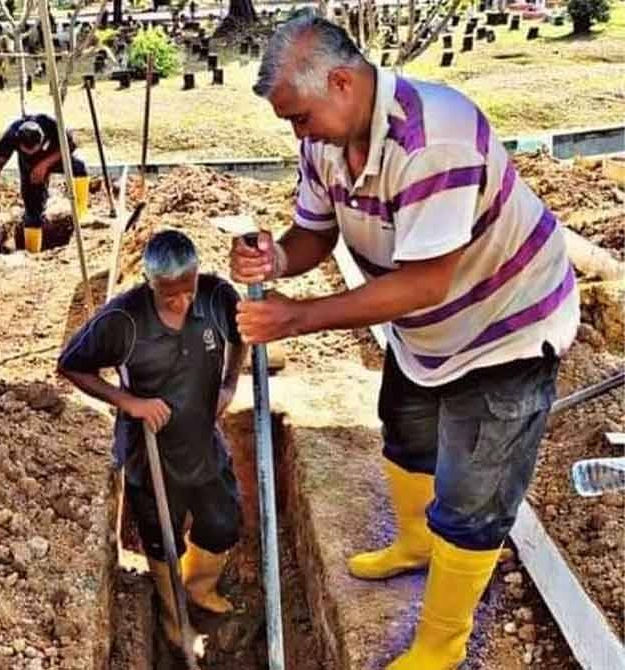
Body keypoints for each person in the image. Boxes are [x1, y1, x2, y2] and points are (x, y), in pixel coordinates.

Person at [231, 12, 579, 670]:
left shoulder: (433, 138)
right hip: (427, 330)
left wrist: (297, 318)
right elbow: (315, 235)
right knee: (407, 427)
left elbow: (425, 283)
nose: (296, 134)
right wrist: (274, 260)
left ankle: (439, 647)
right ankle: (415, 542)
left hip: (506, 326)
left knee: (474, 492)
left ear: (340, 82)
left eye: (300, 117)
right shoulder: (324, 142)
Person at [59, 230, 249, 649]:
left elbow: (241, 338)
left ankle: (199, 589)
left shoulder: (218, 297)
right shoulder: (123, 320)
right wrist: (127, 400)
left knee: (221, 523)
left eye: (188, 290)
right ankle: (172, 614)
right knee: (161, 540)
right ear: (150, 284)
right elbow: (72, 365)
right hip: (150, 451)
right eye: (170, 297)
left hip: (202, 441)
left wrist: (230, 384)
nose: (182, 302)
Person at [0, 113, 89, 253]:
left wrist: (45, 165)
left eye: (33, 150)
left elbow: (70, 145)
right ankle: (32, 252)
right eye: (26, 151)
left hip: (55, 157)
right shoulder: (12, 135)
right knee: (33, 211)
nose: (30, 153)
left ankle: (82, 215)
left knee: (79, 167)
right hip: (29, 169)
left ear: (42, 140)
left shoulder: (51, 125)